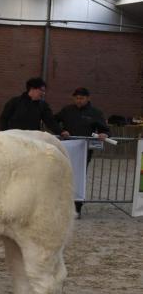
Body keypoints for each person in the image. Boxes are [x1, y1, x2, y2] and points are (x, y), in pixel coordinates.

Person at [56, 87, 111, 216]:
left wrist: (104, 134)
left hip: (84, 150)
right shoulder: (67, 110)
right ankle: (61, 205)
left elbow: (106, 130)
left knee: (79, 177)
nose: (79, 100)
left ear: (88, 98)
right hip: (66, 148)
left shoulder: (95, 112)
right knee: (62, 175)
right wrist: (60, 131)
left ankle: (77, 207)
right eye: (76, 98)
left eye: (81, 98)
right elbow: (53, 121)